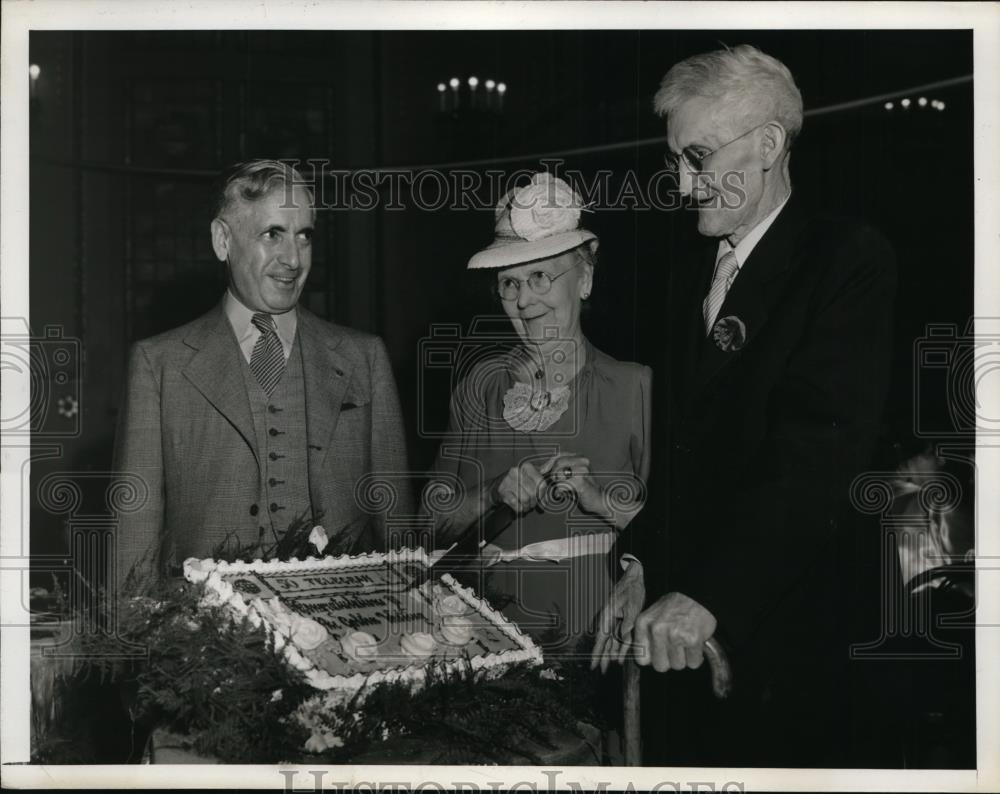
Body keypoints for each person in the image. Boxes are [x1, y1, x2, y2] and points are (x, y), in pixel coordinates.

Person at [592, 45, 897, 766]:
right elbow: (679, 451)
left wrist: (708, 596)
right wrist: (640, 564)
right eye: (674, 161)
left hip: (782, 638)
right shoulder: (687, 269)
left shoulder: (845, 259)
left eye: (697, 156)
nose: (682, 183)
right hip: (680, 631)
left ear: (767, 145)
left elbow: (812, 460)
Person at [113, 160, 411, 585]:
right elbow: (133, 545)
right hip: (209, 638)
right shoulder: (159, 364)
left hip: (345, 629)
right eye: (272, 234)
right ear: (223, 240)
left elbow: (399, 533)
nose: (292, 258)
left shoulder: (365, 357)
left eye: (304, 236)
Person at [425, 172, 651, 658]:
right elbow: (431, 522)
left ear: (585, 280)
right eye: (509, 283)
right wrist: (493, 492)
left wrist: (600, 501)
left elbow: (681, 531)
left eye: (541, 278)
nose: (525, 301)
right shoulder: (478, 388)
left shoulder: (636, 387)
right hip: (484, 637)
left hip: (594, 639)